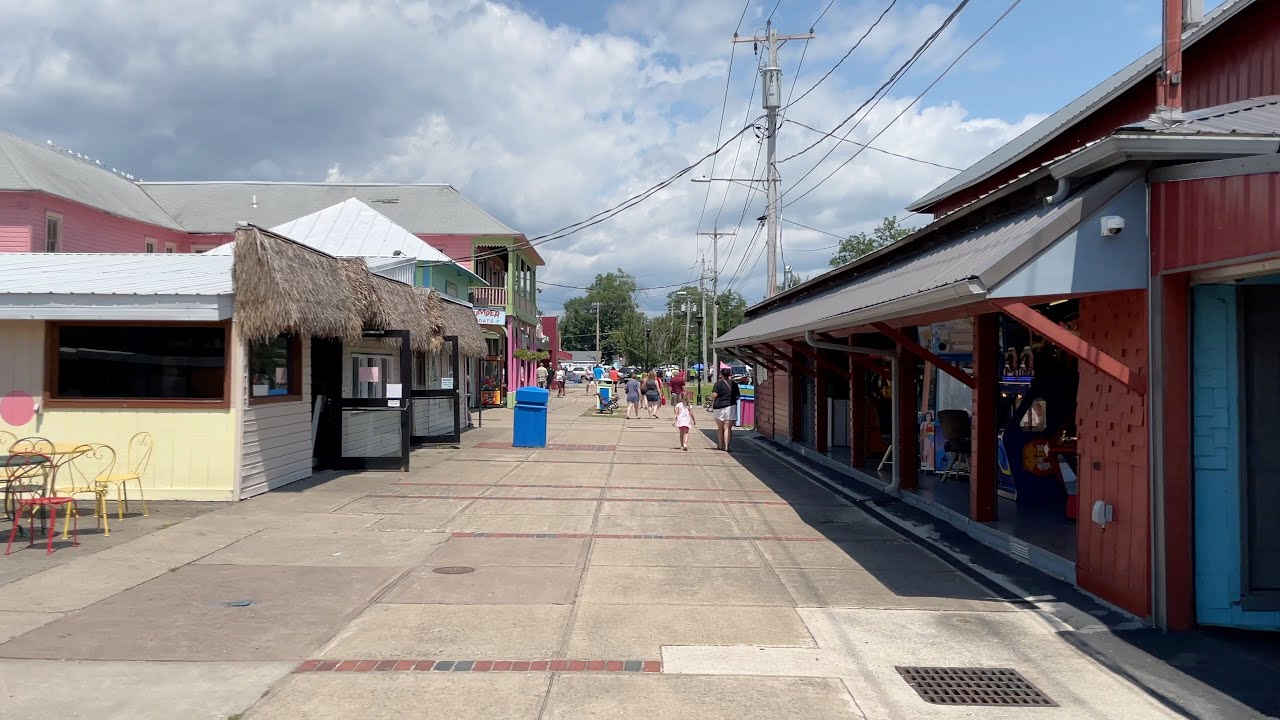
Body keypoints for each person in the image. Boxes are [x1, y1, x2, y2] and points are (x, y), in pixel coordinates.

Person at [710, 367, 741, 452]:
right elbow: (737, 396)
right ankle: (727, 446)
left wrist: (712, 398)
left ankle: (720, 445)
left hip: (719, 407)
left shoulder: (718, 384)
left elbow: (714, 395)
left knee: (720, 427)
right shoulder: (734, 384)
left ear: (721, 374)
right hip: (730, 407)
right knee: (727, 428)